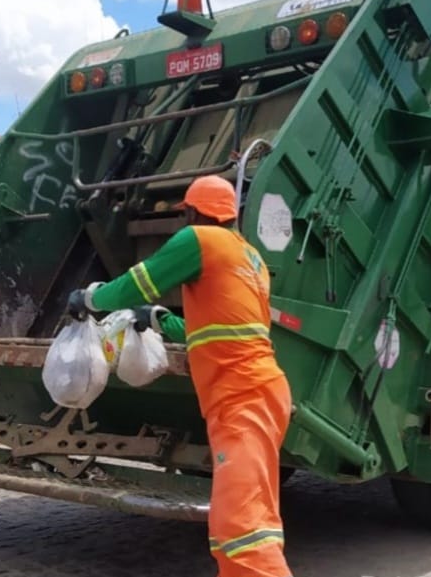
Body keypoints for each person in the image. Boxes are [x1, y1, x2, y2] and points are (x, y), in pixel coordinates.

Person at [67, 175, 293, 577]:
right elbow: (218, 328)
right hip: (258, 392)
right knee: (244, 520)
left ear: (191, 212)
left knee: (242, 530)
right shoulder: (249, 256)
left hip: (243, 396)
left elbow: (137, 283)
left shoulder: (198, 240)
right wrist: (159, 319)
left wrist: (89, 298)